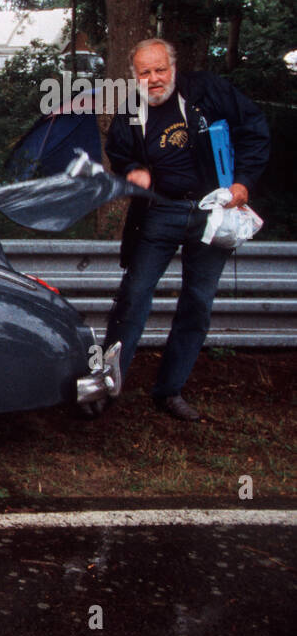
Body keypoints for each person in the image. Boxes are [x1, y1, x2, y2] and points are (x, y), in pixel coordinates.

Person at [102, 38, 270, 421]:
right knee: (133, 296)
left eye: (160, 69)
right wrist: (132, 171)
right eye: (145, 72)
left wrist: (244, 180)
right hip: (159, 213)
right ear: (135, 76)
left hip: (214, 212)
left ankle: (170, 391)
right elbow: (119, 153)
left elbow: (255, 128)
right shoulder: (131, 111)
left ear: (173, 67)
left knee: (197, 303)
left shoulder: (209, 90)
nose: (154, 78)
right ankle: (107, 386)